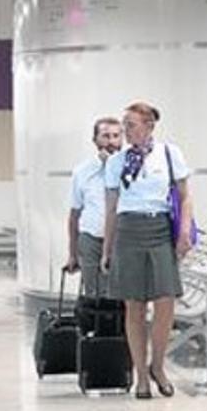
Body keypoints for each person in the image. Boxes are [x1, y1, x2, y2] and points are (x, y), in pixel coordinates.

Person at [101, 102, 195, 399]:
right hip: (128, 231)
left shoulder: (169, 154)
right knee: (135, 305)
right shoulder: (117, 163)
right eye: (124, 124)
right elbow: (112, 208)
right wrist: (107, 249)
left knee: (166, 300)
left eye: (131, 124)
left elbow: (185, 197)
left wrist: (183, 232)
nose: (126, 130)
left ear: (149, 126)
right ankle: (140, 374)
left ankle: (158, 365)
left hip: (159, 229)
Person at [65, 117, 123, 295]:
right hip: (91, 238)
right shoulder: (82, 171)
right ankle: (95, 323)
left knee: (121, 293)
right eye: (105, 136)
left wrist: (113, 167)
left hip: (122, 239)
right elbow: (75, 214)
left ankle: (123, 324)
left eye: (116, 135)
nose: (111, 141)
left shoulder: (131, 168)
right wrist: (73, 253)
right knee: (94, 293)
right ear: (95, 140)